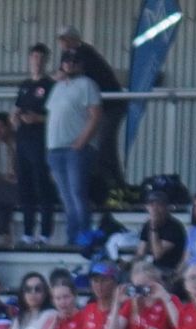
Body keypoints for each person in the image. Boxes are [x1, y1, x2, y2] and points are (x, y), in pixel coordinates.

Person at [53, 25, 122, 199]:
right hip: (94, 107)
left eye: (65, 39)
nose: (62, 43)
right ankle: (107, 186)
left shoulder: (85, 52)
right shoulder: (68, 54)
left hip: (110, 106)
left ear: (73, 39)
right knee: (100, 147)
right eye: (61, 40)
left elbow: (70, 74)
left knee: (105, 146)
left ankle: (115, 187)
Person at [45, 50, 101, 245]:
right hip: (56, 149)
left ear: (81, 64)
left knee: (77, 193)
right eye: (66, 61)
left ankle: (83, 236)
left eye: (74, 61)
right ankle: (72, 237)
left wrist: (82, 141)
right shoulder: (58, 87)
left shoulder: (87, 84)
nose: (69, 64)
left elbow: (95, 115)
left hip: (75, 149)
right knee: (66, 196)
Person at [13, 45, 55, 245]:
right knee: (25, 187)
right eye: (34, 57)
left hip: (40, 142)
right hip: (23, 141)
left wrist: (38, 118)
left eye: (41, 57)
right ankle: (28, 232)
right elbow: (17, 109)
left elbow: (56, 116)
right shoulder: (25, 85)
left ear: (46, 61)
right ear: (30, 59)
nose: (37, 61)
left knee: (42, 186)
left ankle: (45, 233)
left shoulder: (50, 85)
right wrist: (15, 118)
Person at [139, 191, 187, 275]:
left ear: (166, 207)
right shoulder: (147, 225)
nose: (155, 209)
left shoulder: (174, 227)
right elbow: (141, 252)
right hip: (153, 267)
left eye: (159, 205)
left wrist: (153, 228)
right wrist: (129, 264)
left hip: (170, 269)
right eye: (151, 205)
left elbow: (157, 254)